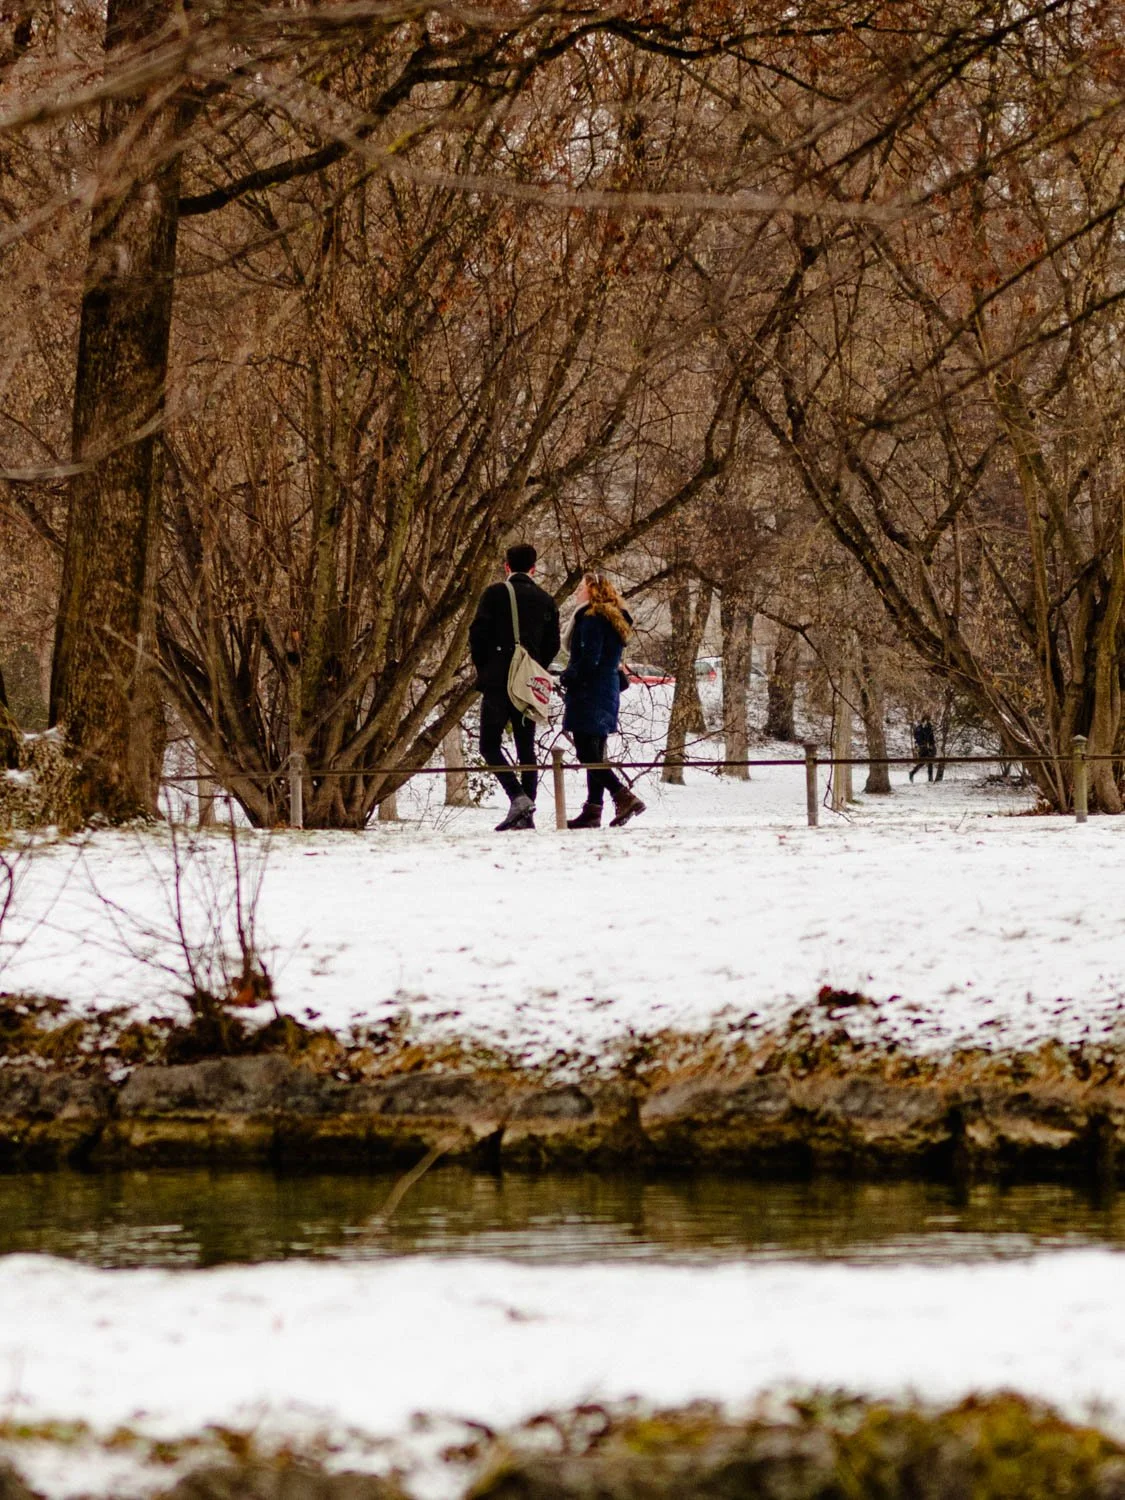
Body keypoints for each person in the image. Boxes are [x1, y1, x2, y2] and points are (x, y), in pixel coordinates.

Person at [469, 542, 560, 831]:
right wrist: (533, 665)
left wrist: (487, 668)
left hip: (497, 681)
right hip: (528, 684)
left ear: (506, 566)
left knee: (489, 745)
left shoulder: (495, 594)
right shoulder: (546, 600)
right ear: (534, 568)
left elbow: (477, 635)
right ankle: (526, 813)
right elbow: (553, 644)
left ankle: (517, 797)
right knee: (526, 749)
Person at [560, 571, 646, 829]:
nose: (577, 593)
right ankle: (593, 810)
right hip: (605, 690)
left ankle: (623, 796)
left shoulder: (592, 618)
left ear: (592, 591)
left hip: (590, 692)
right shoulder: (612, 618)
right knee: (596, 752)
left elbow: (590, 660)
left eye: (580, 588)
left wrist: (567, 677)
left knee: (587, 752)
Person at [909, 712, 937, 782]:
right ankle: (912, 772)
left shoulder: (929, 727)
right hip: (922, 747)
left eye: (928, 720)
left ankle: (930, 778)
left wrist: (931, 745)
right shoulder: (919, 728)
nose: (927, 722)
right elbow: (917, 737)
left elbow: (931, 737)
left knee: (930, 762)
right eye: (926, 720)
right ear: (924, 720)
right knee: (922, 762)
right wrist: (922, 744)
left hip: (929, 747)